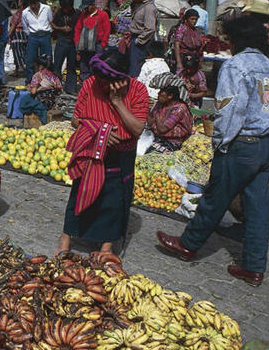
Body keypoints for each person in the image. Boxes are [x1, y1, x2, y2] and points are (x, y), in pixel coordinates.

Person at [157, 16, 269, 287]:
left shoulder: (236, 66)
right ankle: (255, 267)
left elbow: (230, 110)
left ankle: (188, 245)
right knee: (257, 208)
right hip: (264, 146)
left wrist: (221, 143)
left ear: (237, 41)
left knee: (214, 198)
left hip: (239, 144)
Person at [57, 50, 148, 255]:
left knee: (113, 199)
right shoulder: (90, 84)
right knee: (81, 191)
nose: (101, 85)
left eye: (106, 82)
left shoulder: (138, 91)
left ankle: (106, 245)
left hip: (121, 154)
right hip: (91, 150)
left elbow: (136, 129)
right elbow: (75, 120)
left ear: (120, 79)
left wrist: (117, 102)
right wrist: (101, 131)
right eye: (99, 80)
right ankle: (66, 236)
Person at [146, 78, 193, 152]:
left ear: (170, 96)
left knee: (150, 153)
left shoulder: (179, 109)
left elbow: (162, 129)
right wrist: (147, 109)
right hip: (158, 138)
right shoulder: (160, 104)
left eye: (161, 91)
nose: (158, 93)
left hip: (172, 142)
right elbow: (150, 122)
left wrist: (157, 115)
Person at [125, 0, 158, 77]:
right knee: (132, 66)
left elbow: (150, 29)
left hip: (142, 43)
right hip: (136, 40)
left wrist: (138, 41)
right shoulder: (139, 6)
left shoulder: (149, 8)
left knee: (136, 68)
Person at [74, 0, 111, 80]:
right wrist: (77, 46)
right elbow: (77, 30)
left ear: (92, 5)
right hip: (84, 46)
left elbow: (107, 31)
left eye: (87, 7)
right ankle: (85, 86)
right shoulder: (83, 15)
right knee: (84, 67)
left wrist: (103, 44)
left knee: (96, 67)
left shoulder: (103, 14)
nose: (85, 9)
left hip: (98, 46)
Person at [19, 54, 62, 124]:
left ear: (40, 66)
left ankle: (40, 117)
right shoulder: (55, 75)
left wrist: (30, 88)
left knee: (24, 101)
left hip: (42, 102)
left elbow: (33, 92)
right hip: (52, 102)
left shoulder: (38, 75)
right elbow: (59, 90)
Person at [21, 0, 54, 84]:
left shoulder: (46, 8)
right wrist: (31, 35)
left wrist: (48, 33)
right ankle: (30, 82)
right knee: (30, 60)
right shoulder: (25, 12)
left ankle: (47, 81)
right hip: (33, 37)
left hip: (45, 35)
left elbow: (50, 21)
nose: (32, 6)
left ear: (38, 2)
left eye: (34, 3)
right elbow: (25, 27)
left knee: (47, 60)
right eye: (30, 4)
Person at [52, 0, 78, 94]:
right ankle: (57, 87)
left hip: (72, 43)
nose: (66, 10)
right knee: (57, 66)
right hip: (61, 41)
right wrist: (61, 28)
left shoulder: (76, 14)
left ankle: (70, 88)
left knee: (71, 67)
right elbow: (53, 24)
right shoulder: (59, 13)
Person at [8, 0, 28, 75]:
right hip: (25, 35)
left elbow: (13, 26)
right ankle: (16, 71)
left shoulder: (19, 13)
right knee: (21, 53)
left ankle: (29, 73)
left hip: (17, 35)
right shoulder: (28, 12)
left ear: (22, 3)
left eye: (19, 1)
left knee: (18, 54)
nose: (18, 2)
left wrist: (8, 36)